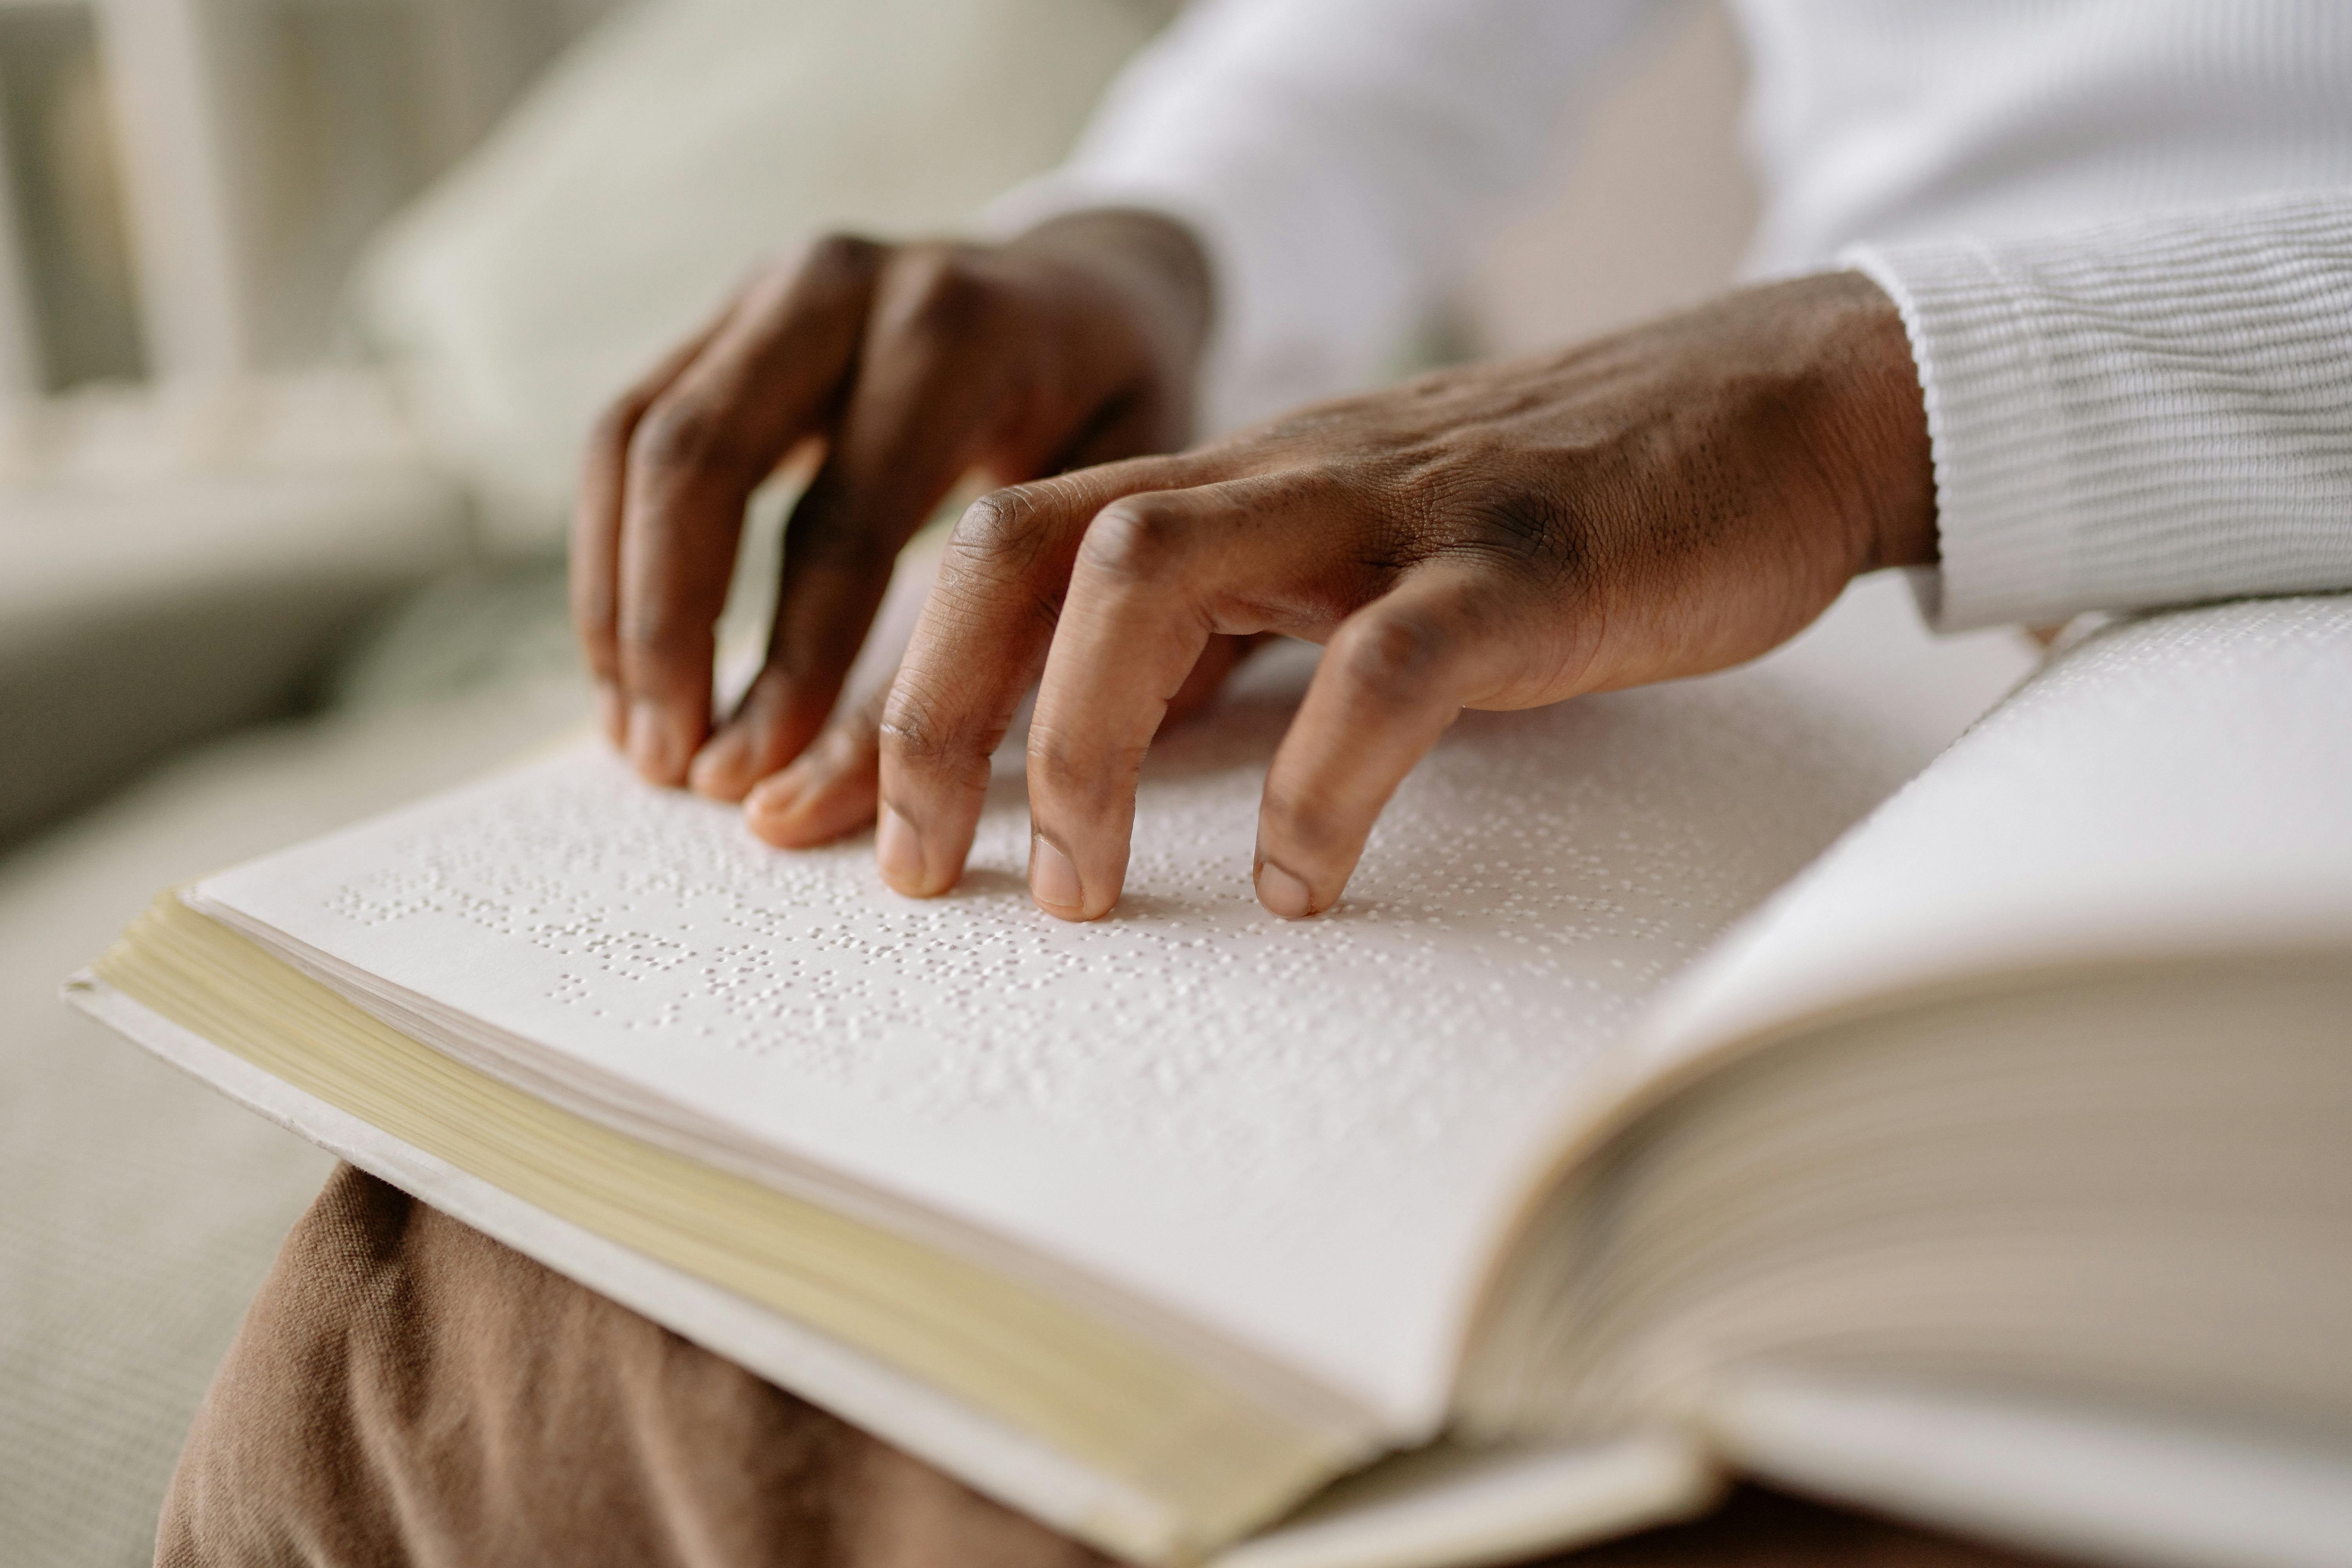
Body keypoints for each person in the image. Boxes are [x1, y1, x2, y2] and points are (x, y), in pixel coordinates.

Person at [163, 2, 2352, 1563]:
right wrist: (1157, 232)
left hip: (2129, 550)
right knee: (443, 1331)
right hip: (1870, 613)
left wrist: (1883, 392)